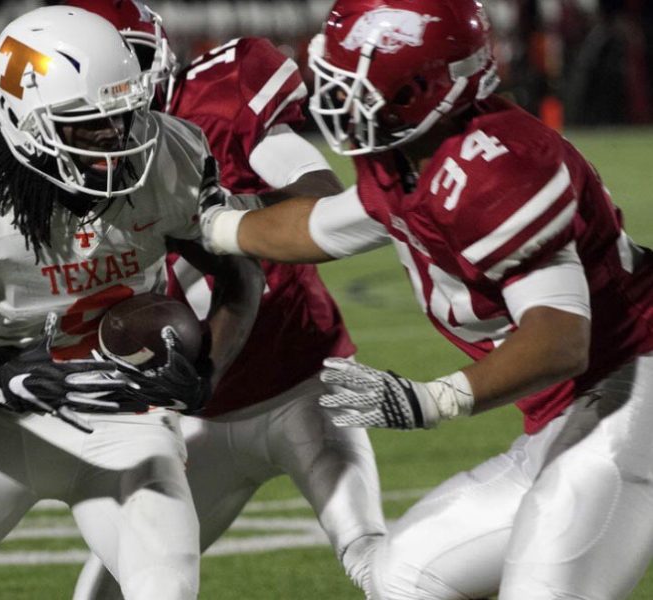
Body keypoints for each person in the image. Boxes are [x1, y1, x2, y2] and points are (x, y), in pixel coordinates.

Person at [199, 0, 653, 598]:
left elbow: (560, 338)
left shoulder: (497, 164)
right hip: (569, 416)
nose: (335, 94)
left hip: (631, 394)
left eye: (353, 82)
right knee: (405, 573)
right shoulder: (407, 157)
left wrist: (432, 399)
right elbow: (327, 225)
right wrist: (211, 226)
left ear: (421, 87)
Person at [0, 7, 262, 600]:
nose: (115, 140)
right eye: (85, 123)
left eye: (123, 116)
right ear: (22, 121)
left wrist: (206, 376)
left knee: (166, 587)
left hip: (131, 416)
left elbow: (241, 278)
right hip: (9, 415)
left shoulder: (167, 158)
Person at [62, 2, 387, 598]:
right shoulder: (67, 161)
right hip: (195, 420)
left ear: (156, 54)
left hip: (305, 387)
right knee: (108, 588)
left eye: (125, 61)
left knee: (375, 558)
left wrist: (215, 217)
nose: (113, 87)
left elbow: (321, 199)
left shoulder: (216, 99)